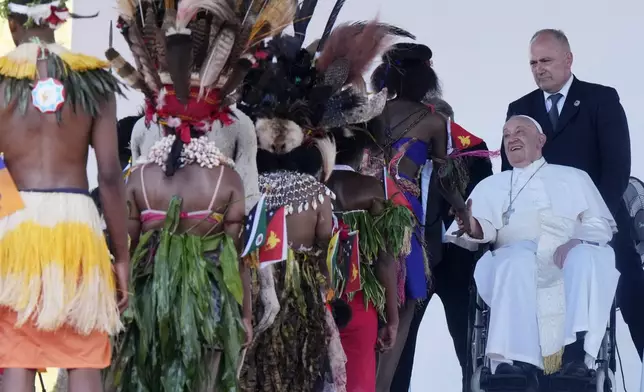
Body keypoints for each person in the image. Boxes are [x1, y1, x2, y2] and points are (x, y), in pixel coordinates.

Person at [102, 1, 285, 390]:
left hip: (150, 306)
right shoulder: (229, 181)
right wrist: (246, 314)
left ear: (158, 118)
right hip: (214, 304)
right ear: (214, 122)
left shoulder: (138, 179)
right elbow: (239, 259)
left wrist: (123, 298)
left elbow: (128, 251)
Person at [0, 1, 128, 391]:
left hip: (14, 223)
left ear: (14, 20)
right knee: (82, 353)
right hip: (77, 228)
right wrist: (120, 256)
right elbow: (109, 174)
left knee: (17, 352)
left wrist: (11, 219)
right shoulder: (93, 78)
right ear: (58, 17)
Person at [447, 115, 619, 384]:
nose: (511, 138)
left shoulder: (575, 177)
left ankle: (575, 359)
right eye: (506, 135)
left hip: (570, 262)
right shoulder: (491, 186)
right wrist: (470, 224)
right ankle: (514, 363)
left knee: (587, 256)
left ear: (541, 140)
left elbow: (600, 226)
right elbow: (482, 229)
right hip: (516, 262)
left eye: (519, 131)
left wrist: (575, 242)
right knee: (518, 258)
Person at [504, 28, 643, 359]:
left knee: (633, 287)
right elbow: (511, 177)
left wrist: (587, 222)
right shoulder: (520, 107)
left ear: (568, 60)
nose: (539, 68)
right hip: (539, 224)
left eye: (547, 60)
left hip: (602, 218)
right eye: (534, 62)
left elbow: (616, 170)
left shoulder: (601, 99)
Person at [369, 43, 470, 392]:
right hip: (401, 217)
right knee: (406, 299)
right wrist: (461, 208)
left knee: (367, 304)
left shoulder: (369, 112)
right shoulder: (432, 120)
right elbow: (443, 178)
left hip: (362, 215)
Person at [391, 98, 494, 392]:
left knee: (467, 340)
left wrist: (464, 206)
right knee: (401, 340)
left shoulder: (473, 150)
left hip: (458, 262)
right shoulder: (403, 151)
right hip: (414, 259)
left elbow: (487, 195)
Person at [326, 119, 415, 392]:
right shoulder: (372, 189)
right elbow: (385, 260)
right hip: (359, 299)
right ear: (362, 152)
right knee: (358, 381)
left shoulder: (309, 187)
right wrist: (392, 318)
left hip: (316, 299)